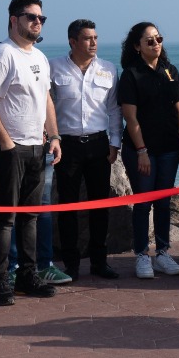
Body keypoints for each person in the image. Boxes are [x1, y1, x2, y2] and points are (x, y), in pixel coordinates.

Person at [0, 0, 63, 305]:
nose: (37, 22)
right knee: (6, 217)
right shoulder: (3, 55)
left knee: (31, 216)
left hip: (37, 146)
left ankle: (29, 276)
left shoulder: (39, 57)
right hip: (9, 149)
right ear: (14, 20)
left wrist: (53, 136)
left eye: (41, 17)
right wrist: (5, 141)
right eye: (30, 17)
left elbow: (47, 100)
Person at [51, 19, 122, 280]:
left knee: (99, 206)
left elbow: (114, 109)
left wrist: (115, 142)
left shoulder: (108, 68)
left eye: (95, 37)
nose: (93, 43)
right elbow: (46, 105)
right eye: (87, 38)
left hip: (98, 145)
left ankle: (99, 262)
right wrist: (51, 137)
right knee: (67, 207)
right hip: (67, 146)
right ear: (72, 41)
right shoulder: (54, 67)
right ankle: (70, 264)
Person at [118, 22, 179, 278]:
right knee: (143, 202)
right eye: (149, 41)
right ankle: (142, 255)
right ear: (137, 46)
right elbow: (130, 118)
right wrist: (142, 150)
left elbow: (177, 109)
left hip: (169, 148)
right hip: (141, 150)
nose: (156, 44)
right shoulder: (131, 74)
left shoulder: (170, 70)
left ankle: (164, 253)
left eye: (159, 39)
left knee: (164, 202)